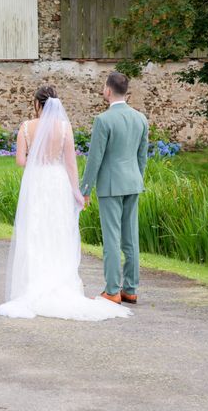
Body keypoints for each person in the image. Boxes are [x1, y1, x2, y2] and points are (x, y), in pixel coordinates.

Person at [0, 85, 131, 321]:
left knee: (35, 231)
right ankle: (59, 281)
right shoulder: (64, 127)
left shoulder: (26, 127)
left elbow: (20, 160)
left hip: (37, 181)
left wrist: (37, 159)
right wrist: (77, 191)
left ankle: (33, 284)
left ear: (37, 104)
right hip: (58, 183)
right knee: (57, 231)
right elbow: (70, 163)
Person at [80, 72, 149, 305]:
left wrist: (85, 188)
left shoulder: (103, 120)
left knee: (111, 239)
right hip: (133, 183)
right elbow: (142, 158)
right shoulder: (141, 119)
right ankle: (130, 288)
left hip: (110, 185)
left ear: (108, 90)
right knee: (131, 238)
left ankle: (112, 290)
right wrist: (138, 180)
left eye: (103, 86)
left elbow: (94, 159)